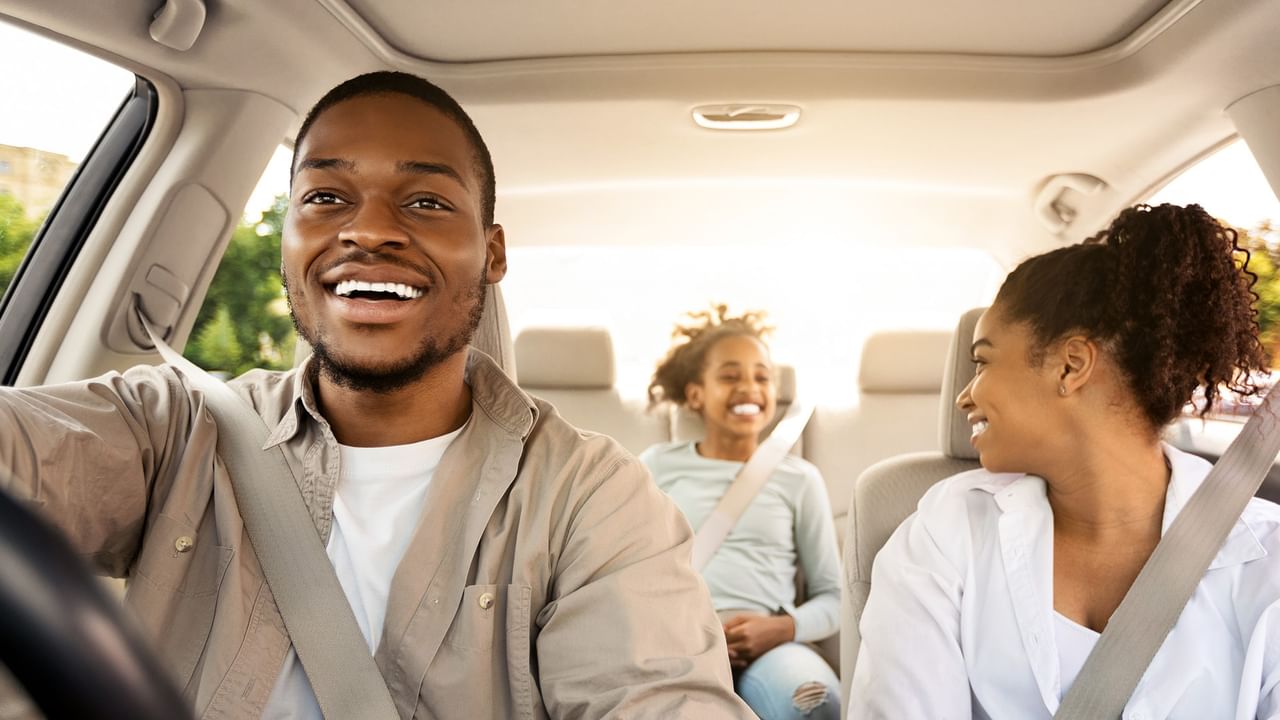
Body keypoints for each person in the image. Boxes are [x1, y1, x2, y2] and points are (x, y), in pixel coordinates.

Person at [0, 71, 752, 719]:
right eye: (326, 195)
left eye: (424, 201)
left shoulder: (589, 496)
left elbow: (656, 694)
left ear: (491, 254)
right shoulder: (172, 428)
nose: (368, 231)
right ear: (289, 236)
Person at [849, 204, 1280, 719]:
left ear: (1070, 366)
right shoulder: (949, 531)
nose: (964, 396)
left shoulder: (1267, 559)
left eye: (983, 360)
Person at [640, 306, 842, 720]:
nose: (749, 387)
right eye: (730, 376)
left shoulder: (799, 479)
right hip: (676, 643)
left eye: (762, 376)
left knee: (814, 701)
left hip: (771, 644)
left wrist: (782, 628)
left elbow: (835, 597)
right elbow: (626, 573)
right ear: (695, 393)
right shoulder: (656, 466)